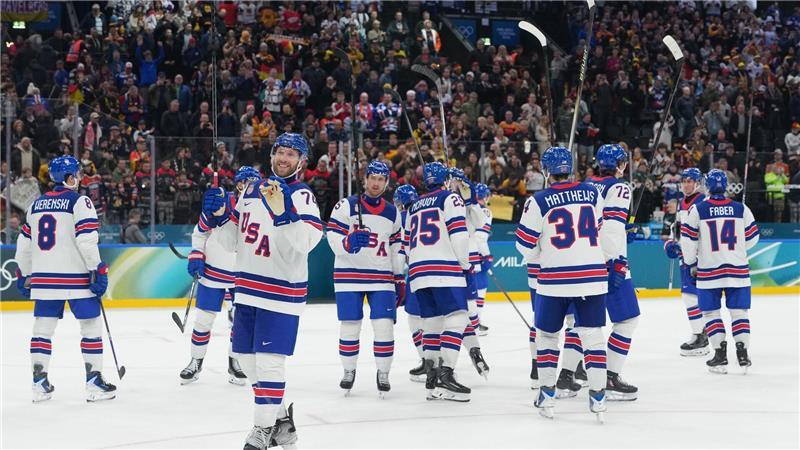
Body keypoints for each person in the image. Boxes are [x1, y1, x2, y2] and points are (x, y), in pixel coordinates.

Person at [201, 133, 323, 449]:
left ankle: (261, 429)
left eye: (291, 154)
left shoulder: (302, 195)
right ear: (271, 155)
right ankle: (281, 422)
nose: (284, 158)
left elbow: (307, 243)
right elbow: (232, 241)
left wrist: (285, 215)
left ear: (302, 162)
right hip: (247, 288)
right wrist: (220, 218)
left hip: (281, 292)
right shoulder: (251, 189)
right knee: (244, 358)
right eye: (280, 152)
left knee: (269, 363)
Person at [516, 146, 612, 421]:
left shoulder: (538, 200)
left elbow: (524, 246)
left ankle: (547, 395)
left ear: (547, 171)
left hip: (554, 279)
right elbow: (599, 228)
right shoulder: (592, 193)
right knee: (592, 336)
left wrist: (542, 254)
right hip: (592, 277)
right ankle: (598, 396)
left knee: (547, 336)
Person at [14, 156, 115, 402]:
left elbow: (24, 245)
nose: (79, 178)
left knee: (42, 330)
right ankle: (94, 383)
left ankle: (39, 384)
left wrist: (24, 273)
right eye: (77, 174)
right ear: (69, 178)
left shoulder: (35, 204)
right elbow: (86, 241)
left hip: (44, 279)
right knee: (90, 327)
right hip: (77, 279)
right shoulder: (80, 201)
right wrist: (97, 268)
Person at [325, 161, 404, 397]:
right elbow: (332, 236)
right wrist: (347, 243)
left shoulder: (393, 212)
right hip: (349, 275)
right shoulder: (346, 205)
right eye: (373, 178)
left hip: (382, 276)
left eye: (381, 179)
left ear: (387, 183)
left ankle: (383, 373)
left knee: (384, 327)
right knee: (350, 326)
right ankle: (348, 371)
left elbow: (396, 247)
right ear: (365, 179)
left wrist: (399, 277)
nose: (376, 183)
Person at [179, 166, 262, 386]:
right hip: (213, 271)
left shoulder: (263, 208)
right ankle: (195, 361)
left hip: (242, 275)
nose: (248, 186)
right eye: (245, 182)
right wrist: (196, 254)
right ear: (238, 183)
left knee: (239, 323)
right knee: (203, 320)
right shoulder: (220, 202)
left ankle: (235, 363)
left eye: (253, 183)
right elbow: (200, 233)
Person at [681, 169, 759, 374]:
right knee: (739, 313)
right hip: (738, 270)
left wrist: (690, 262)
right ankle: (742, 354)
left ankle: (720, 356)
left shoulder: (698, 209)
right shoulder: (741, 208)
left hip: (709, 271)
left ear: (707, 186)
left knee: (711, 313)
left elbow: (688, 241)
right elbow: (753, 238)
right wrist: (736, 250)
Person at [406, 162, 472, 402]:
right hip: (443, 266)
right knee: (458, 317)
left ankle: (432, 379)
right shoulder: (450, 198)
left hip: (417, 270)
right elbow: (459, 234)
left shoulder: (414, 205)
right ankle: (446, 374)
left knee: (432, 323)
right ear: (445, 181)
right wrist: (464, 263)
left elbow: (406, 243)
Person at [583, 144, 641, 401]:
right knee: (627, 320)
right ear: (620, 165)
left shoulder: (585, 185)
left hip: (582, 261)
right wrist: (615, 260)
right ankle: (609, 376)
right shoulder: (618, 187)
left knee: (584, 323)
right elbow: (611, 228)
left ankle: (573, 370)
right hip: (607, 261)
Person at [447, 168, 490, 379]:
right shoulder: (444, 200)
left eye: (459, 182)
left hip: (465, 261)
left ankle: (473, 347)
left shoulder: (469, 205)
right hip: (447, 261)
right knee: (449, 314)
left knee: (468, 306)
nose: (456, 185)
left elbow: (481, 222)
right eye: (453, 181)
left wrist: (471, 201)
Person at [664, 168, 710, 356]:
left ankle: (701, 336)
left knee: (692, 296)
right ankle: (702, 334)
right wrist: (670, 243)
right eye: (684, 181)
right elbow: (678, 230)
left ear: (698, 183)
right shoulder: (682, 202)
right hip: (687, 256)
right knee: (691, 296)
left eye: (690, 181)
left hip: (698, 258)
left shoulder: (703, 202)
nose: (686, 184)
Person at [393, 184, 428, 382]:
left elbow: (400, 252)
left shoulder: (401, 218)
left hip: (417, 274)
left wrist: (398, 277)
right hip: (440, 272)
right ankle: (444, 364)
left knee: (415, 320)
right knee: (436, 320)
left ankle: (428, 362)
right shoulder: (427, 211)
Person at [472, 183, 494, 332]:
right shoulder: (485, 212)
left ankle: (470, 322)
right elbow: (480, 238)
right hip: (477, 257)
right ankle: (475, 324)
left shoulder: (467, 208)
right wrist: (487, 256)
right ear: (485, 196)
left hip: (464, 254)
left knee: (469, 291)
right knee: (480, 290)